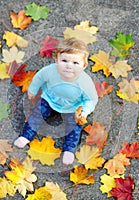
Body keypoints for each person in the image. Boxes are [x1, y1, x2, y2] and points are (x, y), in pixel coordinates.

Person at [14, 37, 98, 165]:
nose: (69, 66)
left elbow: (91, 99)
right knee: (37, 114)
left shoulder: (85, 82)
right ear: (56, 60)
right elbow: (39, 78)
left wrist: (85, 111)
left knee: (74, 127)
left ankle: (69, 149)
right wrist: (32, 90)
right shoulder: (50, 71)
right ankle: (26, 135)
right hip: (50, 98)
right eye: (64, 60)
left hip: (73, 106)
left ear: (84, 65)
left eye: (75, 63)